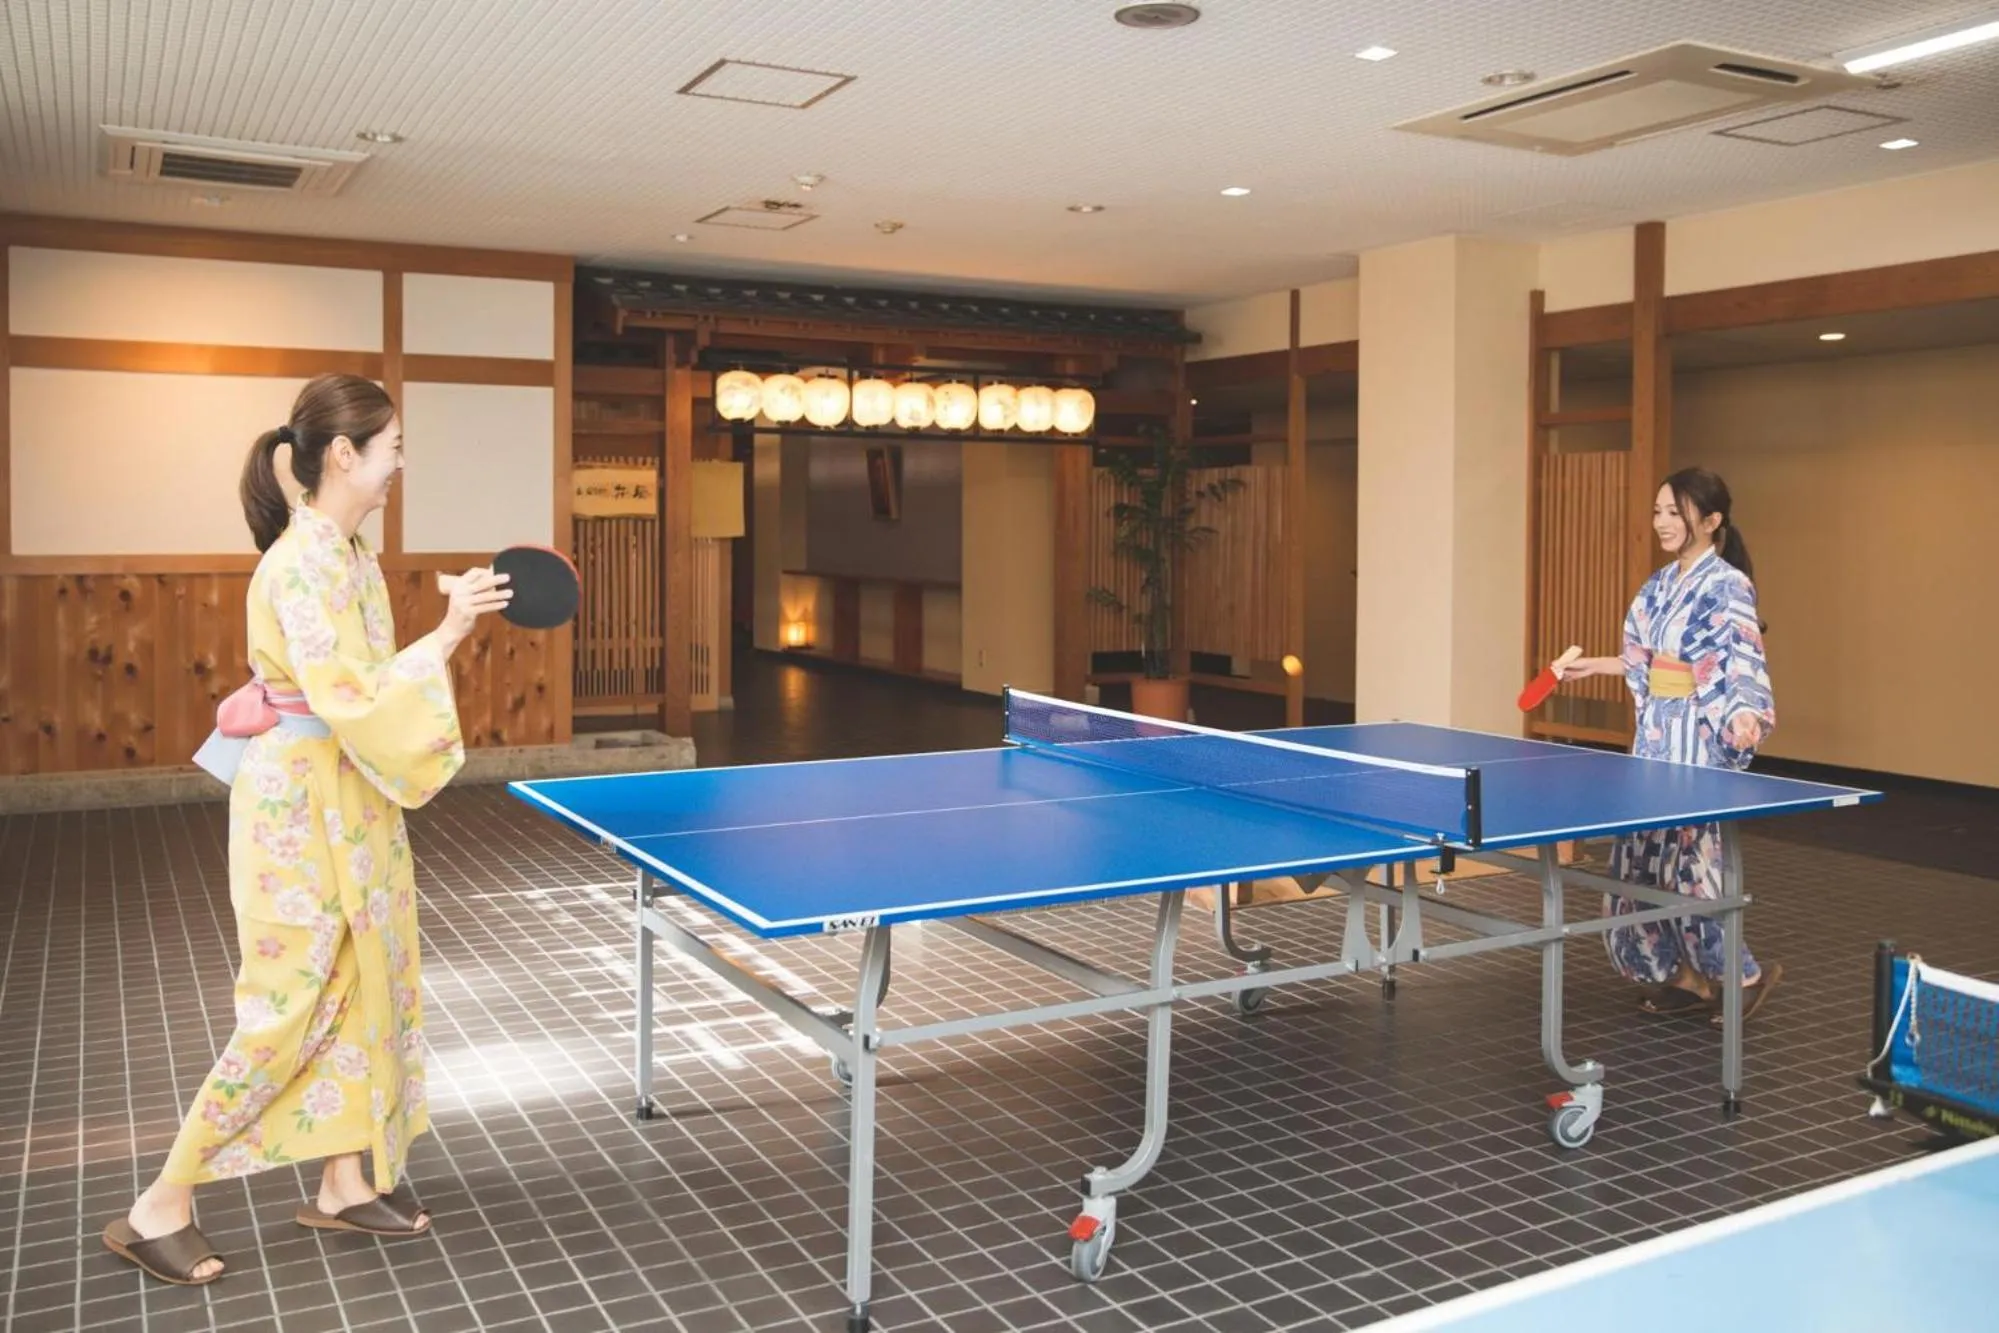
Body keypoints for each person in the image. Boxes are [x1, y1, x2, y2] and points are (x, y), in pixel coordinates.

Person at [102, 373, 512, 1285]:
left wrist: (442, 629)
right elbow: (354, 696)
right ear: (344, 454)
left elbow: (358, 691)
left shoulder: (350, 550)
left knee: (366, 977)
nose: (401, 462)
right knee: (284, 1007)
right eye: (393, 446)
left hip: (344, 790)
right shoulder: (303, 561)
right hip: (300, 803)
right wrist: (446, 633)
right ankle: (157, 1204)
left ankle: (341, 1177)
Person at [1555, 467, 1781, 1027]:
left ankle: (1741, 976)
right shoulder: (1657, 584)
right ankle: (1681, 974)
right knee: (1640, 861)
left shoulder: (1728, 586)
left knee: (1691, 865)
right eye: (1658, 511)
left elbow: (1744, 665)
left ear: (1709, 521)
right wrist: (1596, 665)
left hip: (1697, 746)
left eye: (1674, 513)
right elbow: (1645, 661)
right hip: (1654, 739)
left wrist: (1745, 719)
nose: (1662, 522)